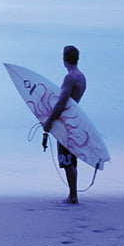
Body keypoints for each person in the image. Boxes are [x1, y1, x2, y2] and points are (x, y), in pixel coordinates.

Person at [43, 45, 86, 204]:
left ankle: (73, 196)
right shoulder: (82, 77)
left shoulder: (70, 78)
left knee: (67, 159)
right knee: (72, 159)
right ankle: (73, 194)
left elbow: (61, 103)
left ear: (64, 59)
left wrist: (49, 121)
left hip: (65, 123)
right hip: (75, 121)